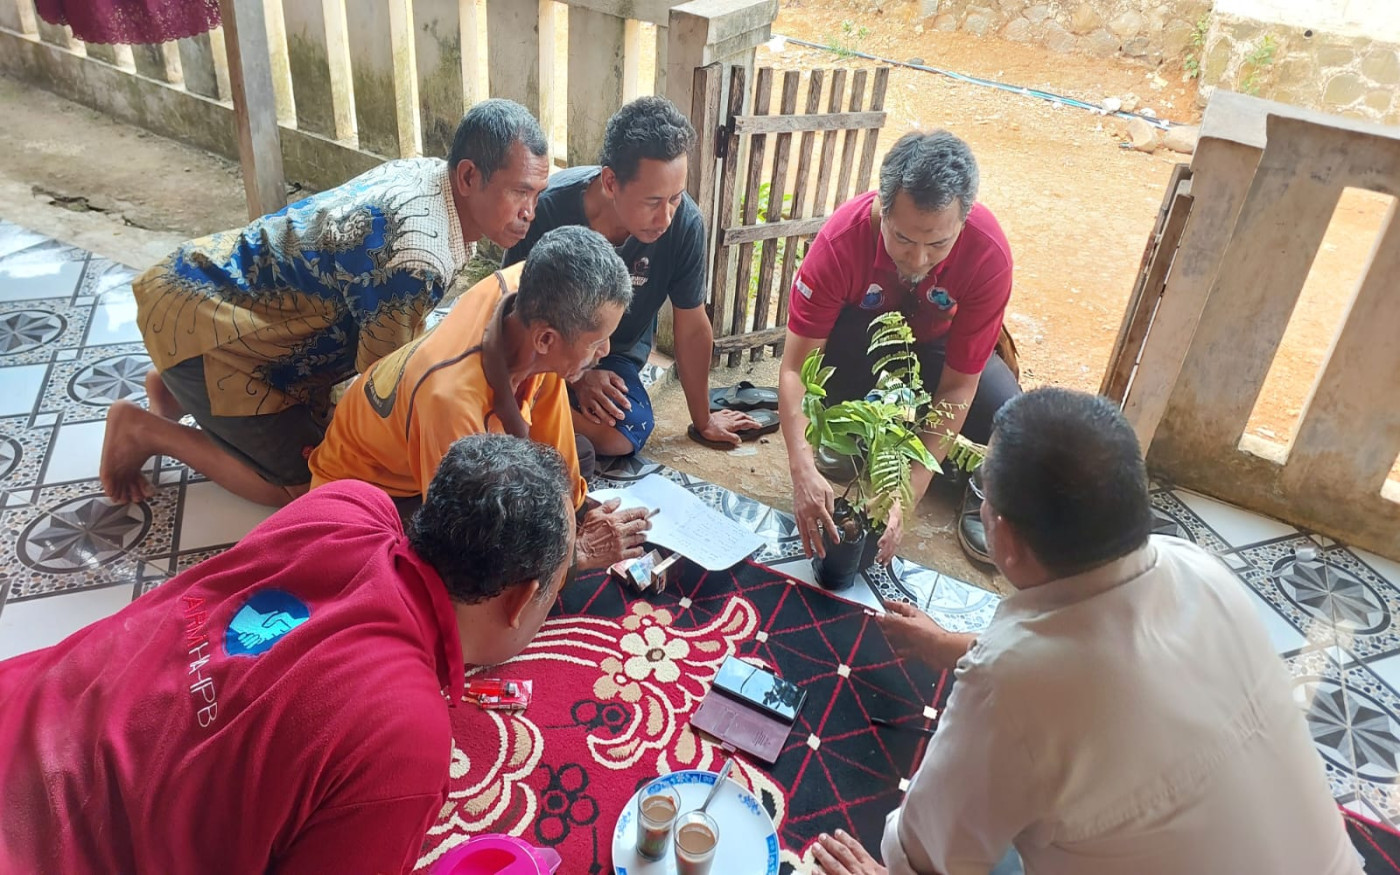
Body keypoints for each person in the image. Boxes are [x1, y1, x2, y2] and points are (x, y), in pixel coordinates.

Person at [811, 388, 1361, 875]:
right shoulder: (1199, 570)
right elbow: (1090, 667)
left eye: (985, 496)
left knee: (988, 836)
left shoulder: (1009, 683)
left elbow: (931, 854)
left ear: (1007, 539)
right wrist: (950, 649)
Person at [0, 434, 578, 874]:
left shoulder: (346, 504)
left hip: (22, 711)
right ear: (521, 599)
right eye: (556, 588)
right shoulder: (406, 743)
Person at [100, 99, 551, 509]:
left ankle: (173, 385)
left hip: (199, 281)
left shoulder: (433, 178)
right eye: (519, 191)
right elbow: (387, 385)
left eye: (536, 194)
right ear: (469, 176)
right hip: (211, 327)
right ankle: (144, 429)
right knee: (309, 485)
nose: (530, 212)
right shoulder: (417, 253)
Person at [308, 225, 650, 570]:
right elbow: (467, 545)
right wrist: (577, 556)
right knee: (477, 565)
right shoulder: (452, 403)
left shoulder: (533, 292)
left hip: (435, 445)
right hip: (371, 494)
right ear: (546, 340)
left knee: (576, 461)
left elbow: (554, 431)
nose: (605, 351)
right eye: (596, 343)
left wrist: (578, 513)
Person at [778, 130, 1019, 567]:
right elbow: (797, 369)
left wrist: (907, 492)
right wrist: (802, 469)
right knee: (828, 377)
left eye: (938, 244)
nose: (919, 259)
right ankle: (853, 434)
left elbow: (959, 386)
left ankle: (985, 486)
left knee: (1012, 418)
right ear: (882, 208)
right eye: (903, 239)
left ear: (964, 221)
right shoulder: (840, 243)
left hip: (937, 357)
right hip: (862, 349)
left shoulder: (988, 255)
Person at [503, 96, 758, 458]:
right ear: (610, 182)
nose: (666, 218)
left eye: (675, 198)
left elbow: (692, 326)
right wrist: (577, 377)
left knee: (624, 435)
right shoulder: (547, 209)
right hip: (543, 353)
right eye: (653, 202)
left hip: (614, 354)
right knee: (501, 384)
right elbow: (510, 314)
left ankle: (533, 420)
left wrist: (703, 420)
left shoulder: (685, 225)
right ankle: (536, 416)